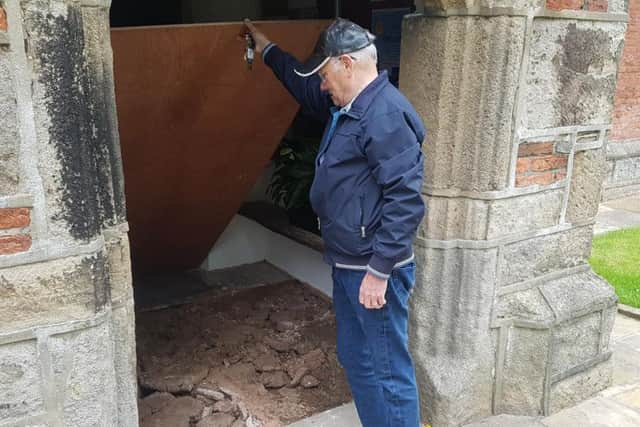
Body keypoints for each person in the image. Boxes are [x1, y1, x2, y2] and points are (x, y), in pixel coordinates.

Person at [244, 18, 426, 427]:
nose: (322, 85)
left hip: (372, 271)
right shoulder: (347, 105)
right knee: (357, 360)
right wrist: (267, 47)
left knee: (388, 371)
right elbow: (303, 85)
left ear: (346, 63)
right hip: (347, 264)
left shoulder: (386, 115)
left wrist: (380, 272)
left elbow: (406, 201)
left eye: (325, 74)